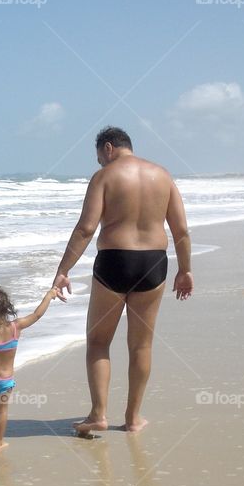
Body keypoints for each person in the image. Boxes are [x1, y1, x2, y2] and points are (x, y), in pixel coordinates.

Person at [52, 126, 193, 437]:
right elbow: (181, 231)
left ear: (108, 148)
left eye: (100, 157)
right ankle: (133, 418)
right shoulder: (163, 175)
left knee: (99, 342)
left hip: (115, 261)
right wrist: (185, 270)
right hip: (153, 263)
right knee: (141, 345)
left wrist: (63, 270)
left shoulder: (104, 177)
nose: (100, 163)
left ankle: (98, 414)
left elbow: (86, 229)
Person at [0, 285, 59, 450]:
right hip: (5, 383)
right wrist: (49, 295)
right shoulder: (16, 327)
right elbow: (37, 314)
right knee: (1, 412)